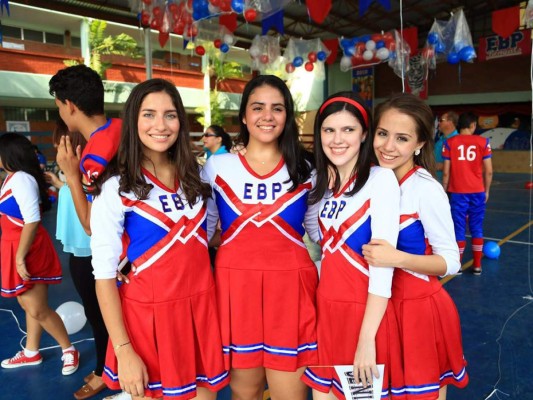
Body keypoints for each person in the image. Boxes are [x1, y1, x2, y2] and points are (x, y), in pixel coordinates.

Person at [90, 78, 229, 400]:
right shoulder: (116, 187)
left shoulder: (197, 176)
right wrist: (124, 350)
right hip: (148, 320)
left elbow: (205, 237)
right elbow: (105, 275)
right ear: (133, 121)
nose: (160, 125)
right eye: (149, 114)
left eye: (169, 115)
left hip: (202, 311)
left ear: (180, 121)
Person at [201, 75, 320, 400]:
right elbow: (200, 233)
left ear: (287, 116)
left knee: (290, 395)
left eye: (277, 108)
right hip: (236, 293)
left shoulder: (307, 167)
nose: (267, 116)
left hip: (291, 293)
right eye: (258, 107)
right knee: (245, 393)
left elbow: (322, 233)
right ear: (243, 115)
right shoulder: (217, 168)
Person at [363, 92, 469, 399]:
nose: (388, 146)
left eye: (402, 138)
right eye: (383, 134)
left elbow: (450, 261)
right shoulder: (366, 181)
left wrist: (396, 258)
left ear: (420, 143)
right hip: (374, 309)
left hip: (418, 311)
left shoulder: (425, 189)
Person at [300, 92, 404, 400]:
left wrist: (366, 339)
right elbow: (318, 237)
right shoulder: (321, 182)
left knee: (360, 396)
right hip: (325, 313)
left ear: (364, 134)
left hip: (364, 317)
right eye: (329, 130)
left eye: (348, 130)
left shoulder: (381, 180)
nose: (337, 139)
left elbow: (382, 269)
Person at [0, 133, 79, 375]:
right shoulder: (14, 178)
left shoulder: (22, 179)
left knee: (37, 308)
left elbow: (32, 220)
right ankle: (31, 352)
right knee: (28, 304)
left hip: (27, 248)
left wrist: (20, 256)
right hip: (18, 245)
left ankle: (69, 349)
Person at [44, 119, 109, 400]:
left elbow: (91, 213)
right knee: (97, 315)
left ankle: (104, 371)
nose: (57, 149)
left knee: (99, 316)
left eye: (60, 143)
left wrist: (69, 178)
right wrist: (63, 180)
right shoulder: (75, 173)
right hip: (81, 250)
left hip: (92, 251)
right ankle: (107, 368)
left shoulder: (90, 174)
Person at [48, 64, 122, 232]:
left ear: (70, 106)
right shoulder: (127, 127)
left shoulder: (93, 156)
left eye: (59, 107)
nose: (60, 113)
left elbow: (90, 226)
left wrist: (72, 175)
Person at [442, 112, 493, 275]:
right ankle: (477, 266)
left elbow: (446, 172)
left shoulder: (449, 142)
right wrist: (487, 190)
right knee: (477, 228)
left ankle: (457, 265)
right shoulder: (483, 142)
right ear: (473, 126)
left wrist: (444, 189)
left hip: (457, 192)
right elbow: (489, 171)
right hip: (477, 191)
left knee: (459, 229)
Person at [434, 111, 458, 182]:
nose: (438, 123)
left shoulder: (458, 141)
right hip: (436, 183)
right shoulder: (440, 140)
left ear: (450, 122)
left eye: (441, 120)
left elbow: (462, 165)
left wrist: (443, 166)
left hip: (450, 186)